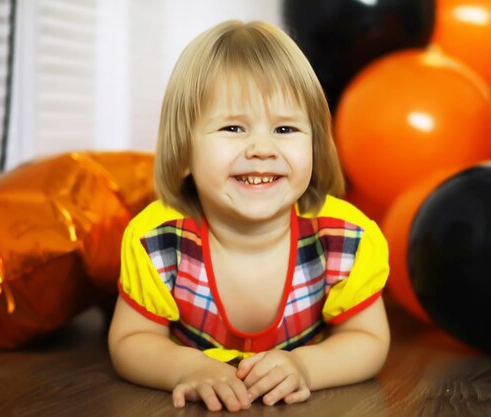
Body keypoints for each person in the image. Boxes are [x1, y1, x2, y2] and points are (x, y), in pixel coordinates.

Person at [108, 20, 390, 413]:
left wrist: (306, 366)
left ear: (316, 143)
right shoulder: (159, 240)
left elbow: (368, 338)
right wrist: (185, 367)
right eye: (234, 127)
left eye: (285, 128)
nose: (261, 148)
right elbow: (131, 339)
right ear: (184, 149)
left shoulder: (342, 238)